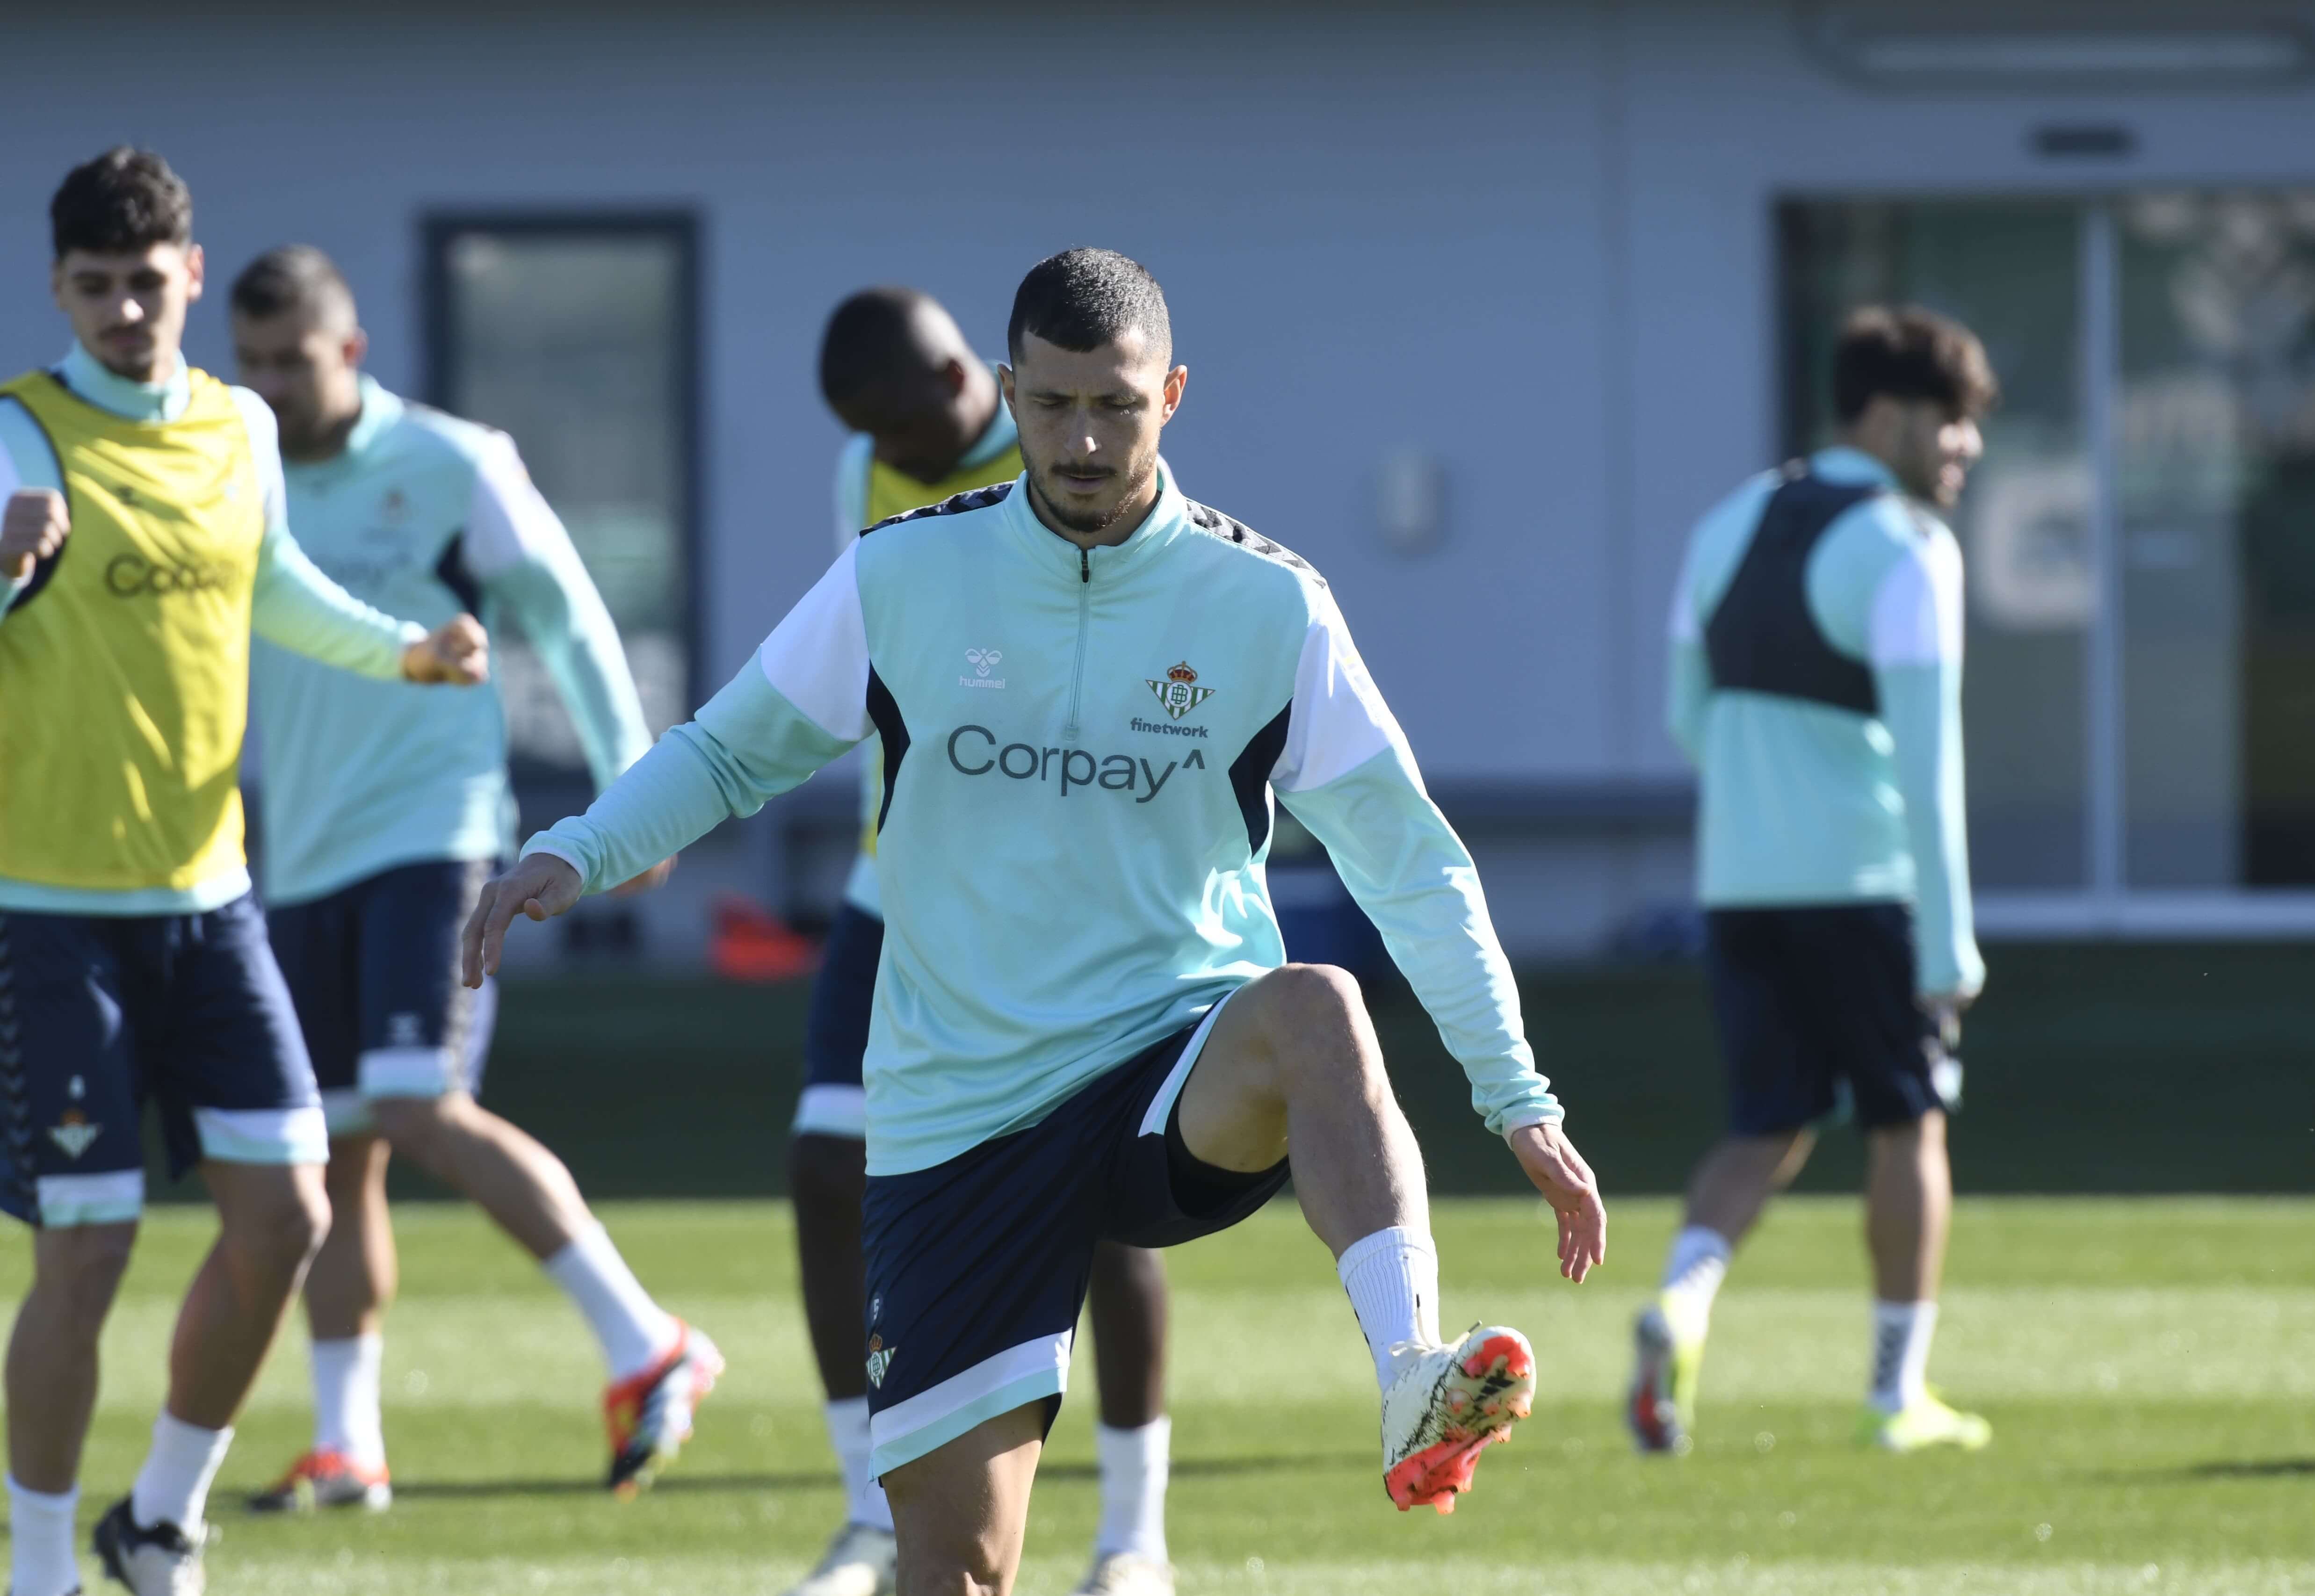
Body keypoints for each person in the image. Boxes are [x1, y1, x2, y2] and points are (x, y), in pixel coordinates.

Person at [463, 247, 1605, 1596]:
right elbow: (731, 751)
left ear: (1171, 396)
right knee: (952, 1572)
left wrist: (1516, 1096)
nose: (1082, 437)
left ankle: (1413, 1371)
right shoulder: (902, 574)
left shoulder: (1267, 604)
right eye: (1053, 403)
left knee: (1316, 1006)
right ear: (1007, 392)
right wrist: (581, 847)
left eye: (1115, 404)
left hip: (1165, 1065)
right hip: (960, 1111)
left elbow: (1411, 859)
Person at [0, 148, 486, 1596]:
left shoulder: (234, 426)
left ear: (191, 277)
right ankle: (34, 1569)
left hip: (211, 901)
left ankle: (159, 1514)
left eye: (148, 284)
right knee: (85, 1252)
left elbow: (272, 581)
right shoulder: (23, 436)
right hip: (52, 915)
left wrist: (404, 646)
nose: (124, 312)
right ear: (58, 292)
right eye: (95, 289)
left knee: (291, 1211)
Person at [224, 244, 717, 1513]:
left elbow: (567, 611)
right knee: (333, 1150)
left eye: (298, 358)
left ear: (352, 351)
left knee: (415, 1100)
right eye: (256, 362)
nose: (276, 383)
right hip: (307, 852)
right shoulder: (240, 470)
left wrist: (627, 788)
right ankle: (348, 1444)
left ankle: (644, 1339)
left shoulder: (455, 462)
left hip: (436, 834)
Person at [791, 287, 1174, 1596]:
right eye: (870, 435)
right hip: (894, 883)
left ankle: (1134, 1535)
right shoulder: (867, 467)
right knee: (823, 1160)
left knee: (1110, 1202)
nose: (891, 448)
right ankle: (864, 1511)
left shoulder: (1068, 465)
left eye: (906, 420)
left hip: (1063, 904)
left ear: (975, 379)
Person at [1635, 304, 1995, 1457]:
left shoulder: (1726, 520)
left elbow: (1684, 717)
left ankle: (1679, 1306)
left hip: (1740, 884)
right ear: (1886, 414)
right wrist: (1949, 946)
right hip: (1868, 887)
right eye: (1952, 423)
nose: (1967, 448)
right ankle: (1897, 1396)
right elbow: (1931, 761)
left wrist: (1766, 795)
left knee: (1762, 1127)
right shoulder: (1906, 545)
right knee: (1907, 1127)